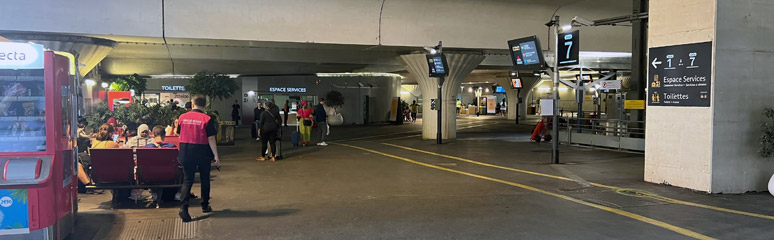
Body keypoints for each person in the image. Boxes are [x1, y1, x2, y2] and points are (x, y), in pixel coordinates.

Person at [176, 95, 220, 222]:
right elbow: (211, 138)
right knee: (204, 179)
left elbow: (179, 133)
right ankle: (205, 205)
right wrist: (216, 156)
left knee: (187, 180)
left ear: (192, 104)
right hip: (202, 152)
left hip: (185, 151)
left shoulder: (182, 117)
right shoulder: (207, 119)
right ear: (204, 106)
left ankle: (183, 208)